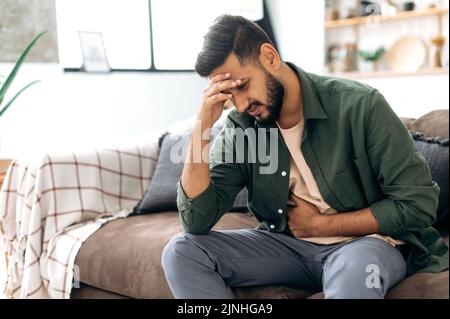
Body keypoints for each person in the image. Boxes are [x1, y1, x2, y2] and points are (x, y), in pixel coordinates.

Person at [161, 15, 449, 299]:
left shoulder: (360, 105)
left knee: (358, 273)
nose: (240, 103)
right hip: (287, 247)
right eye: (227, 93)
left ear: (269, 57)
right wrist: (202, 129)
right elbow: (197, 221)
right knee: (182, 252)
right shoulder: (241, 125)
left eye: (242, 86)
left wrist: (324, 226)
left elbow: (418, 204)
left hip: (365, 247)